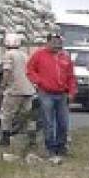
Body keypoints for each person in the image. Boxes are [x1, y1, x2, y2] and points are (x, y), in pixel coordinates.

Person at [26, 32, 75, 160]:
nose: (57, 44)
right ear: (48, 42)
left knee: (63, 122)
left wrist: (71, 92)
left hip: (62, 94)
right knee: (48, 122)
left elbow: (70, 76)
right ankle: (50, 148)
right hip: (46, 93)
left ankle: (61, 146)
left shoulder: (65, 56)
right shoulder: (39, 54)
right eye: (54, 41)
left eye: (59, 42)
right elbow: (30, 70)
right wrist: (39, 81)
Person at [0, 33, 39, 152]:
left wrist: (2, 86)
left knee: (6, 114)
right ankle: (32, 138)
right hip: (28, 89)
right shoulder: (24, 55)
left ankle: (5, 137)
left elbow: (7, 72)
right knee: (28, 115)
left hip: (14, 89)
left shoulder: (8, 55)